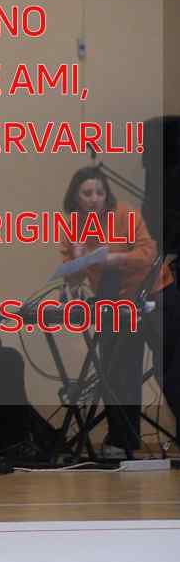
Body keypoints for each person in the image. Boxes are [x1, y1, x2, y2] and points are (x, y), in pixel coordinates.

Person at [60, 166, 180, 455]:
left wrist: (113, 259)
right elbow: (72, 276)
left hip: (155, 293)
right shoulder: (73, 227)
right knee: (118, 371)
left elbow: (148, 254)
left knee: (169, 367)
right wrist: (77, 256)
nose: (94, 198)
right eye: (87, 193)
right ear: (75, 197)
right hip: (114, 301)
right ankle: (122, 441)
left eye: (100, 192)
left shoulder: (125, 214)